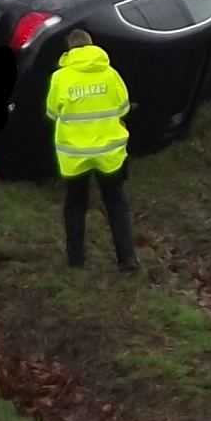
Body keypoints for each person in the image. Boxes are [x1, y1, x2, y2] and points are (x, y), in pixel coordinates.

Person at [45, 32, 136, 271]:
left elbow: (53, 112)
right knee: (116, 202)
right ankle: (128, 259)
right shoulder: (111, 74)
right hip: (110, 153)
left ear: (69, 51)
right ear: (92, 46)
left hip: (74, 154)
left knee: (75, 204)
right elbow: (124, 107)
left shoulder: (60, 78)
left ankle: (76, 261)